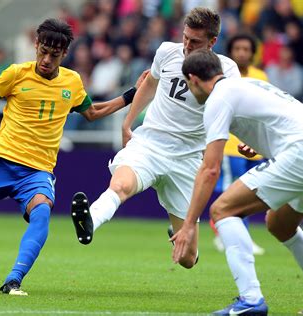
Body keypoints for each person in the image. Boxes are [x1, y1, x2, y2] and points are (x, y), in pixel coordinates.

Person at [0, 18, 146, 296]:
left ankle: (13, 280)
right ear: (36, 45)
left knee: (42, 212)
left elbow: (93, 112)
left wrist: (132, 95)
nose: (46, 59)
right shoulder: (15, 74)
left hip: (36, 172)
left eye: (54, 55)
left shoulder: (72, 81)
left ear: (64, 54)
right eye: (43, 52)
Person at [172, 49, 303, 315]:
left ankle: (251, 300)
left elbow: (210, 169)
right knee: (280, 225)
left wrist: (187, 226)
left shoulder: (218, 99)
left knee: (223, 210)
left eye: (187, 84)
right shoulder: (246, 84)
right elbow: (281, 117)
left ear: (193, 78)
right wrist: (261, 144)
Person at [70, 7, 240, 269]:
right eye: (185, 37)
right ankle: (90, 219)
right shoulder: (167, 52)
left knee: (187, 259)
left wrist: (247, 140)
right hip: (149, 145)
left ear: (212, 42)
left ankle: (179, 239)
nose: (187, 45)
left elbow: (237, 110)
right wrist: (128, 123)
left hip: (187, 159)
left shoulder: (227, 70)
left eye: (195, 41)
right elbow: (150, 84)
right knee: (120, 186)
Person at [210, 33, 268, 255]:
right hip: (230, 145)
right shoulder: (223, 75)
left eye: (246, 49)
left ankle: (232, 235)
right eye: (237, 49)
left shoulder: (260, 76)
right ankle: (236, 237)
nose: (242, 53)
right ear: (231, 52)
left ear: (253, 53)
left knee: (250, 192)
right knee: (231, 192)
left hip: (253, 146)